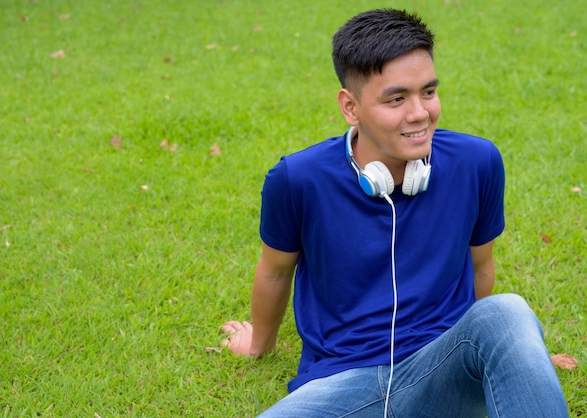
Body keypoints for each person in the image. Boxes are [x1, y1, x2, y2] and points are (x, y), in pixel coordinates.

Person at [221, 8, 568, 417]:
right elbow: (275, 270)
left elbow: (481, 268)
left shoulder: (477, 162)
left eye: (428, 92)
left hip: (444, 368)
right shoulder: (298, 178)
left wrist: (507, 355)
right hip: (343, 381)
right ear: (350, 107)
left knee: (506, 313)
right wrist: (259, 342)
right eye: (396, 98)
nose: (419, 113)